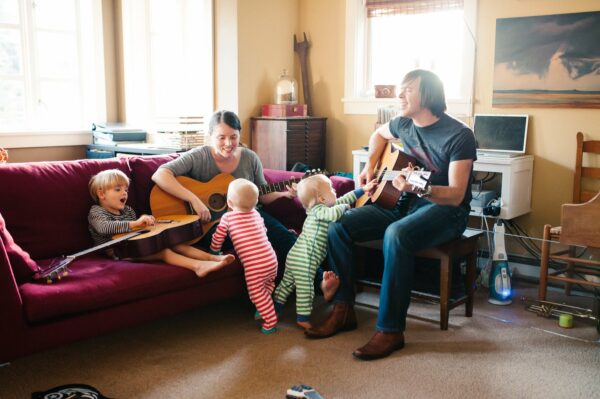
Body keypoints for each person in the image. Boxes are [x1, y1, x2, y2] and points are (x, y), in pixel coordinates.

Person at [305, 69, 477, 361]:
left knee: (396, 234)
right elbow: (378, 134)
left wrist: (421, 190)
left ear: (429, 95)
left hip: (445, 212)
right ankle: (343, 309)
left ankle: (391, 330)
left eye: (408, 89)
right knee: (339, 225)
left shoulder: (460, 135)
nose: (400, 95)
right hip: (402, 202)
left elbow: (457, 194)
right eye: (401, 89)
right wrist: (370, 165)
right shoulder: (403, 123)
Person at [151, 110, 297, 278]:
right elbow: (160, 174)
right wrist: (194, 199)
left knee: (287, 239)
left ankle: (321, 282)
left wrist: (284, 195)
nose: (228, 143)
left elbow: (262, 195)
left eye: (233, 137)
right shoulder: (199, 156)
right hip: (212, 225)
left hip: (251, 217)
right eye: (221, 137)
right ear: (211, 136)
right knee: (258, 240)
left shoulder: (250, 158)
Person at [273, 174, 375, 330]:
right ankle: (302, 317)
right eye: (332, 189)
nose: (335, 191)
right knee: (305, 289)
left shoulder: (320, 207)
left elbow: (343, 199)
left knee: (286, 284)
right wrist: (344, 208)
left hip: (295, 256)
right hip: (304, 259)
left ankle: (274, 309)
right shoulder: (319, 211)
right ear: (321, 199)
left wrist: (362, 190)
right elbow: (334, 213)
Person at [88, 169, 234, 276]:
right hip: (118, 251)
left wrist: (148, 225)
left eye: (126, 189)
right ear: (101, 194)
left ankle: (213, 257)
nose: (124, 193)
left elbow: (137, 234)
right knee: (164, 252)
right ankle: (198, 266)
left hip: (133, 244)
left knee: (175, 243)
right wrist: (136, 224)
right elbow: (104, 228)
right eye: (118, 189)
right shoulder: (96, 212)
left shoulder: (128, 211)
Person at [209, 178, 279, 333]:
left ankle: (270, 320)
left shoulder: (227, 217)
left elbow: (218, 237)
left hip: (255, 266)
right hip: (271, 259)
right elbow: (264, 231)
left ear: (229, 203)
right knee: (266, 284)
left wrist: (214, 251)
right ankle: (263, 306)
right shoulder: (256, 214)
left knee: (255, 292)